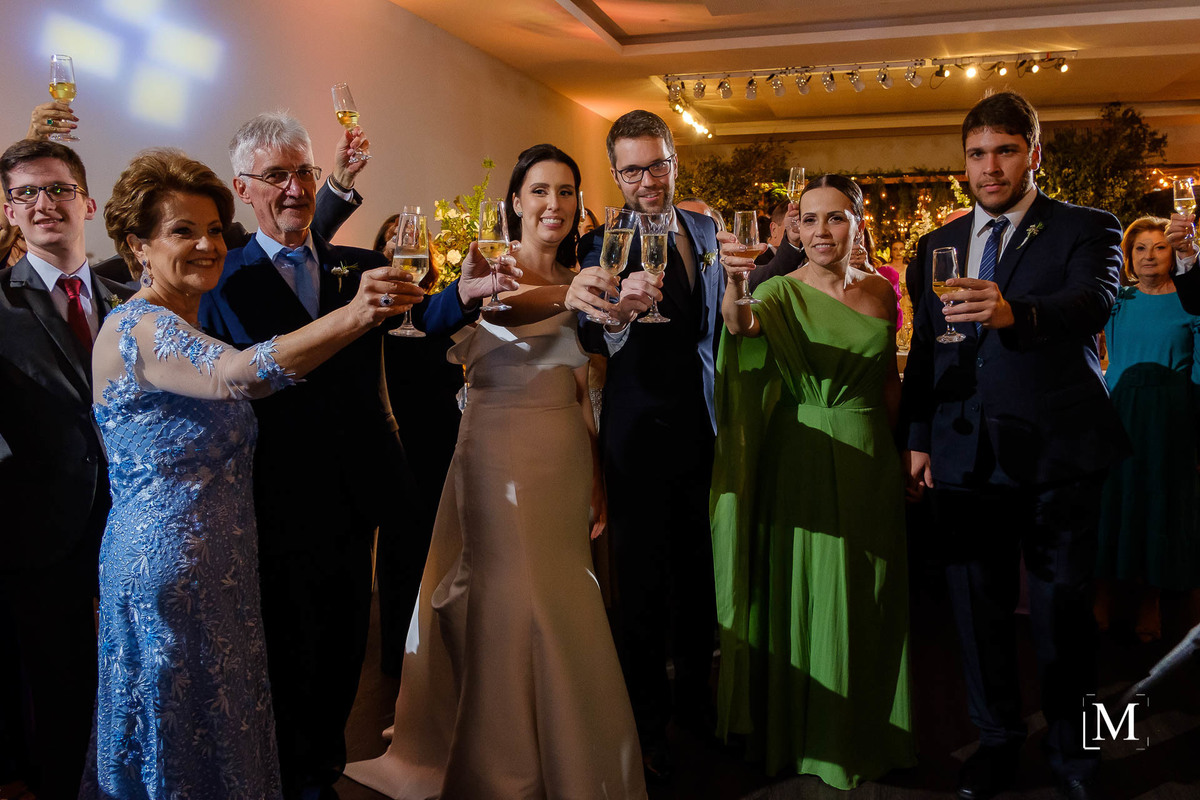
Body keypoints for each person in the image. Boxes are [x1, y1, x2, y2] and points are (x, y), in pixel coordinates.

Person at [197, 112, 518, 800]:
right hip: (273, 493)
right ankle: (291, 779)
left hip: (357, 486)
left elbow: (416, 324)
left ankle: (323, 767)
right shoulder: (221, 278)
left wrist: (466, 294)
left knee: (348, 645)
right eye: (276, 176)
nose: (294, 189)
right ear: (242, 187)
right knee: (288, 649)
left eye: (304, 173)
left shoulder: (361, 265)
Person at [83, 148, 410, 799]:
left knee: (226, 729)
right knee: (177, 742)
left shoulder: (187, 321)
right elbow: (238, 375)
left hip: (224, 564)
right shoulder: (137, 326)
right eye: (183, 231)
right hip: (166, 570)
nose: (208, 245)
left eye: (214, 230)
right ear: (137, 246)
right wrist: (355, 313)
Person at [345, 144, 646, 798]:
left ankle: (570, 746)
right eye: (539, 191)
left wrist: (595, 474)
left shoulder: (583, 276)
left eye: (566, 192)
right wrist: (567, 294)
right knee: (508, 600)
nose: (553, 205)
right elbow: (466, 313)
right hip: (496, 449)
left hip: (563, 453)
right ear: (515, 201)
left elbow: (578, 382)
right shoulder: (490, 269)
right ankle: (504, 761)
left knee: (562, 595)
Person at [899, 91, 1126, 800]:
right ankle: (995, 740)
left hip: (1058, 450)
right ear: (963, 162)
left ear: (1034, 154)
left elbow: (1093, 302)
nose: (990, 167)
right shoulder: (936, 244)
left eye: (1005, 150)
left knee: (1064, 616)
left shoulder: (1087, 226)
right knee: (976, 611)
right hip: (963, 453)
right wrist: (918, 437)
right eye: (977, 153)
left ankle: (1077, 751)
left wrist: (1012, 313)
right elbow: (926, 352)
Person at [712, 174, 915, 789]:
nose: (822, 231)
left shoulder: (881, 292)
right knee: (810, 583)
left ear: (857, 223)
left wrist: (901, 452)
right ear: (794, 230)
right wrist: (736, 282)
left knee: (869, 590)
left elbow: (888, 381)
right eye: (809, 219)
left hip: (869, 453)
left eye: (835, 217)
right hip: (799, 455)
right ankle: (811, 736)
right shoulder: (776, 290)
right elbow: (739, 326)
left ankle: (868, 731)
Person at [564, 109, 723, 780]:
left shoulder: (707, 229)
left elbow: (713, 327)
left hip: (704, 429)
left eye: (657, 164)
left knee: (699, 579)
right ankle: (647, 727)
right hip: (637, 438)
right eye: (632, 171)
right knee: (642, 588)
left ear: (674, 161)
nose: (647, 181)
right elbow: (588, 335)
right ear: (615, 174)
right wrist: (619, 314)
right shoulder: (600, 244)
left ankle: (698, 707)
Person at [0, 139, 132, 800]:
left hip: (133, 522)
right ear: (9, 212)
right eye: (25, 193)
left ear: (88, 203)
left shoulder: (131, 299)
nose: (43, 203)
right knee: (58, 695)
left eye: (57, 189)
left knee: (133, 676)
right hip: (39, 529)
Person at [1095, 216, 1200, 641]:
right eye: (1140, 248)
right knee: (1111, 504)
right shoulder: (1116, 300)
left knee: (1158, 505)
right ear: (1128, 256)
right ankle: (1102, 594)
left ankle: (1150, 601)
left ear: (1174, 254)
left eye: (1159, 247)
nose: (1149, 256)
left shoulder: (1192, 303)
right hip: (1118, 411)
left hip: (1170, 419)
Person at [372, 211, 465, 677]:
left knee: (445, 546)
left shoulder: (438, 310)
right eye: (391, 241)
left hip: (442, 440)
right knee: (402, 550)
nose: (400, 248)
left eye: (409, 241)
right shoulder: (372, 317)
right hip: (398, 444)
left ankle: (444, 656)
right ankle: (401, 662)